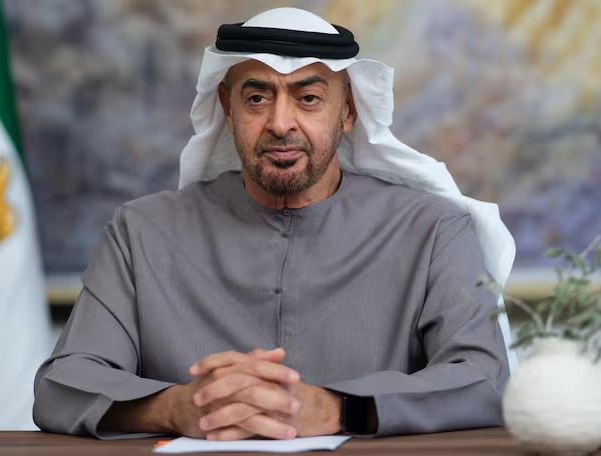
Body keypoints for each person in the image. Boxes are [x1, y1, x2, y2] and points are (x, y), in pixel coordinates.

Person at [33, 7, 516, 440]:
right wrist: (175, 407)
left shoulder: (432, 230)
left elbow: (483, 378)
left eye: (308, 98)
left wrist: (337, 409)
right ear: (228, 109)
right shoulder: (140, 232)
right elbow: (61, 385)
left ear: (348, 111)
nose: (281, 123)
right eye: (257, 98)